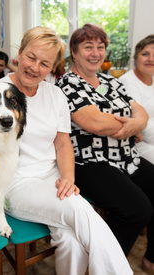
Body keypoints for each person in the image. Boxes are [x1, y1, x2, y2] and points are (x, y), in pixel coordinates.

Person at [0, 26, 132, 275]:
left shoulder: (55, 95)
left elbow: (62, 143)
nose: (34, 67)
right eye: (31, 57)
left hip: (52, 180)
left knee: (72, 240)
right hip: (15, 185)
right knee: (78, 207)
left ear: (53, 67)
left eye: (45, 63)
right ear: (19, 54)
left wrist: (68, 178)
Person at [56, 23, 154, 274]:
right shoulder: (67, 83)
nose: (95, 53)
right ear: (74, 51)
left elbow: (140, 113)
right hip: (89, 161)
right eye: (88, 46)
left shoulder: (112, 81)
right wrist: (132, 127)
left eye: (100, 47)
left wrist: (136, 123)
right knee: (137, 210)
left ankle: (150, 258)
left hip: (125, 156)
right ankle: (106, 266)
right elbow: (94, 122)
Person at [120, 34, 154, 165]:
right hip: (137, 143)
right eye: (145, 54)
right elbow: (140, 122)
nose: (150, 59)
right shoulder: (127, 82)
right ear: (135, 58)